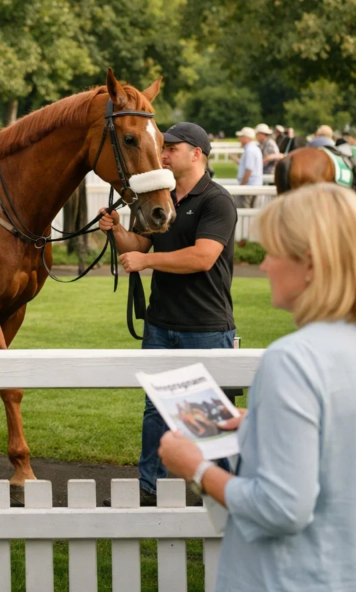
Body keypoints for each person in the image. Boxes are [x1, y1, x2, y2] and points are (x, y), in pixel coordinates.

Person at [159, 183, 356, 591]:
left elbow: (280, 508)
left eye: (273, 252)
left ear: (311, 263)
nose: (263, 266)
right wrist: (262, 424)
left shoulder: (293, 360)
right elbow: (350, 444)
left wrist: (194, 466)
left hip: (296, 576)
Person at [98, 122, 237, 506]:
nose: (163, 154)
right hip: (161, 323)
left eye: (172, 148)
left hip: (205, 325)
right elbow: (137, 243)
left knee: (207, 418)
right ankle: (150, 488)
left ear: (197, 154)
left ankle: (222, 490)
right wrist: (115, 231)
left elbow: (203, 257)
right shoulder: (161, 197)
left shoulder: (216, 201)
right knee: (155, 412)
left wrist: (146, 260)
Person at [234, 126, 263, 207]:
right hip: (254, 185)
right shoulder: (255, 149)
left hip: (249, 186)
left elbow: (249, 170)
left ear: (246, 138)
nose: (239, 139)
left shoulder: (250, 150)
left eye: (241, 137)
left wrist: (242, 186)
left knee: (243, 210)